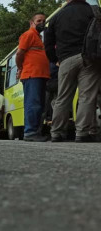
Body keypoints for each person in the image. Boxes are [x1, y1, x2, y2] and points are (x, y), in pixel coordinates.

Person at [45, 0, 101, 142]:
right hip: (89, 58)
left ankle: (56, 132)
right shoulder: (92, 10)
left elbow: (48, 43)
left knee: (63, 97)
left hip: (65, 60)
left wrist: (55, 59)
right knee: (86, 97)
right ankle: (82, 133)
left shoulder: (57, 16)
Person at [16, 12, 50, 142]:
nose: (42, 23)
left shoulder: (39, 38)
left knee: (39, 105)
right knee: (33, 104)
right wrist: (20, 68)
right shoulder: (28, 34)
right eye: (39, 21)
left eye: (44, 21)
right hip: (32, 75)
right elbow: (19, 54)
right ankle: (30, 132)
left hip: (41, 75)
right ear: (32, 23)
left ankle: (35, 132)